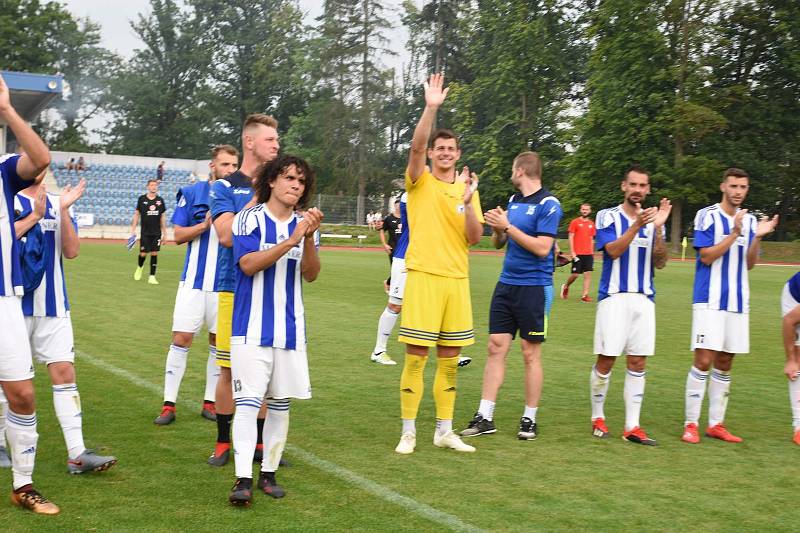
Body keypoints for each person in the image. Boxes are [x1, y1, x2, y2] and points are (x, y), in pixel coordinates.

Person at [394, 73, 484, 455]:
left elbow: (475, 237)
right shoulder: (420, 182)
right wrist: (431, 107)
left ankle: (444, 430)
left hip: (456, 281)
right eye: (439, 148)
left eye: (451, 148)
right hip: (424, 278)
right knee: (416, 359)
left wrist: (466, 200)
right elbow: (414, 148)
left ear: (458, 154)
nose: (445, 152)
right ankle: (409, 431)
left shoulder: (467, 191)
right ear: (432, 154)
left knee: (449, 362)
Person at [227, 155, 322, 506]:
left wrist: (308, 239)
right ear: (271, 181)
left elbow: (310, 274)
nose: (295, 185)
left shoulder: (305, 224)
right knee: (249, 405)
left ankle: (268, 474)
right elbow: (248, 265)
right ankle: (241, 479)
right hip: (249, 329)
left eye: (301, 181)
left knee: (280, 406)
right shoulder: (248, 219)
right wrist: (292, 239)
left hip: (289, 330)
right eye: (288, 178)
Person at [13, 172, 118, 474]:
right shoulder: (8, 200)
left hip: (54, 306)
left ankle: (77, 454)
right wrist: (34, 216)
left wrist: (62, 210)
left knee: (64, 372)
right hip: (13, 307)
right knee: (12, 380)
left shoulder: (58, 203)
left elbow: (71, 251)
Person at [460, 151, 562, 441]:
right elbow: (499, 242)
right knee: (495, 347)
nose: (511, 173)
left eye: (512, 169)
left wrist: (508, 227)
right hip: (506, 284)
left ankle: (529, 419)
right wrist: (498, 229)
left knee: (530, 352)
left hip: (535, 287)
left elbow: (543, 248)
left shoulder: (549, 203)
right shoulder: (514, 202)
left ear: (521, 170)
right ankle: (485, 416)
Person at [681, 168, 778, 444]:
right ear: (723, 186)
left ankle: (716, 424)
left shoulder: (749, 221)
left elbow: (749, 264)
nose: (738, 191)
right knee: (703, 360)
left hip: (737, 302)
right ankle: (690, 424)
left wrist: (757, 237)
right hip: (709, 301)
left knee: (725, 362)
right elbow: (707, 257)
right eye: (734, 186)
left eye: (743, 187)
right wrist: (733, 234)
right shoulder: (707, 215)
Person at [0, 72, 60, 514]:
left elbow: (39, 158)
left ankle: (23, 485)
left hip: (3, 299)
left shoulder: (2, 174)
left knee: (21, 394)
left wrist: (6, 110)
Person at [207, 114, 279, 466]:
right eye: (270, 140)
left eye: (277, 140)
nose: (276, 145)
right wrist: (259, 197)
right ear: (250, 142)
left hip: (267, 289)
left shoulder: (280, 185)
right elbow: (224, 235)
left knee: (263, 372)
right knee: (228, 370)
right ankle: (223, 442)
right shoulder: (224, 187)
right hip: (232, 288)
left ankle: (260, 448)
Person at [153, 145, 239, 426]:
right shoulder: (192, 193)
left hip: (226, 284)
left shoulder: (241, 196)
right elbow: (177, 235)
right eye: (224, 164)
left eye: (233, 165)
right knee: (181, 338)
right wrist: (204, 226)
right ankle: (168, 405)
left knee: (218, 344)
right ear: (212, 166)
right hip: (193, 282)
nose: (230, 170)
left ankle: (210, 402)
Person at [589, 166, 670, 446]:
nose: (638, 189)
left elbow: (660, 261)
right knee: (606, 359)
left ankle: (632, 426)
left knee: (638, 361)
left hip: (644, 299)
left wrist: (658, 228)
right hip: (614, 298)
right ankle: (597, 416)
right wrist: (637, 225)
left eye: (643, 185)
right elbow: (612, 250)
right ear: (624, 186)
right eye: (633, 184)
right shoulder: (607, 216)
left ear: (648, 189)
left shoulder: (654, 220)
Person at [370, 194, 409, 365]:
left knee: (435, 304)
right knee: (395, 305)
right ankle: (379, 350)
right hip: (405, 258)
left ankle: (450, 353)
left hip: (428, 259)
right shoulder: (410, 197)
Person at [130, 179, 166, 285]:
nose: (154, 187)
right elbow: (137, 214)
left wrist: (165, 232)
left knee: (154, 253)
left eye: (155, 185)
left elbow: (163, 217)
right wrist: (133, 229)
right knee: (143, 254)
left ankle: (152, 276)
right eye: (152, 185)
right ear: (148, 187)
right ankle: (140, 267)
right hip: (145, 232)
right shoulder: (141, 199)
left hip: (157, 233)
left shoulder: (160, 200)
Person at [561, 203, 596, 302]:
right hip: (577, 253)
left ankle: (584, 295)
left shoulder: (591, 224)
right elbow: (571, 236)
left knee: (587, 274)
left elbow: (591, 238)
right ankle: (566, 286)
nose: (585, 211)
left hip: (588, 253)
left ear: (590, 211)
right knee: (575, 274)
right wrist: (572, 252)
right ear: (581, 210)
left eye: (587, 209)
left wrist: (592, 251)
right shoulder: (575, 222)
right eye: (583, 209)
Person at [782, 271, 800, 445]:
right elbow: (789, 321)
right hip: (795, 296)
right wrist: (790, 360)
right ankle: (799, 427)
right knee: (798, 360)